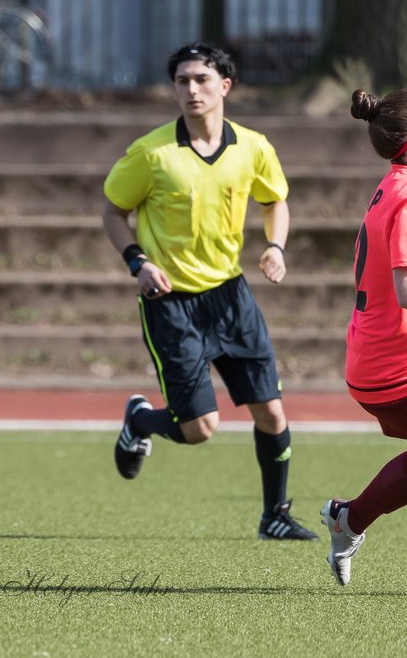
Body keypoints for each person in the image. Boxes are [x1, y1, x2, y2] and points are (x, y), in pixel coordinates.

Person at [103, 42, 317, 541]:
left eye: (201, 79)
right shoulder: (151, 153)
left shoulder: (253, 147)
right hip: (171, 302)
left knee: (272, 410)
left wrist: (275, 246)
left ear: (225, 85)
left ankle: (274, 516)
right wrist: (138, 262)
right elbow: (113, 212)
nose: (191, 89)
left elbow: (275, 199)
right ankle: (141, 421)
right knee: (200, 429)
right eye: (182, 81)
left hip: (231, 296)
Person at [319, 88, 407, 585]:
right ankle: (349, 518)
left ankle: (347, 518)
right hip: (393, 363)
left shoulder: (394, 183)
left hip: (377, 354)